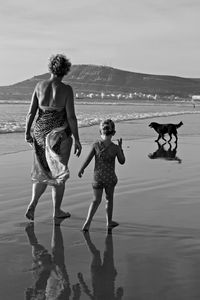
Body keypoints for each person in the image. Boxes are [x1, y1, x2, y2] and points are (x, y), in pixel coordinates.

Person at [25, 54, 82, 221]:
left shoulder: (39, 86)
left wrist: (27, 131)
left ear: (50, 67)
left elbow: (31, 112)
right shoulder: (66, 89)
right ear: (66, 70)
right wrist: (77, 139)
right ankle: (57, 211)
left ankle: (33, 203)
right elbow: (71, 117)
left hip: (40, 134)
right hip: (58, 135)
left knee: (43, 170)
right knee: (58, 173)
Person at [78, 119, 125, 231]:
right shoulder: (116, 148)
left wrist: (81, 169)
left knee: (95, 200)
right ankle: (109, 222)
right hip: (110, 179)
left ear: (100, 132)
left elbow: (88, 159)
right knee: (109, 199)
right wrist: (121, 148)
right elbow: (122, 161)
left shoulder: (95, 145)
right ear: (113, 133)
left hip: (97, 178)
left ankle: (87, 222)